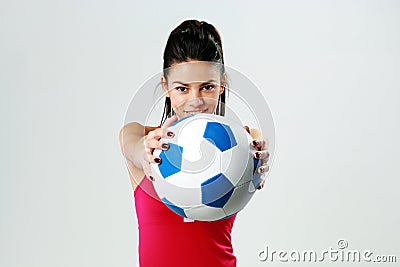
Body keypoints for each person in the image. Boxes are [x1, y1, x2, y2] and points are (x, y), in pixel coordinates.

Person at [119, 19, 270, 267]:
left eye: (207, 87)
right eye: (182, 89)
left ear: (222, 84)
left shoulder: (243, 141)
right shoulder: (141, 137)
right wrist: (145, 154)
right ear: (166, 87)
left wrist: (257, 159)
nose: (195, 101)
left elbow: (258, 145)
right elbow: (133, 148)